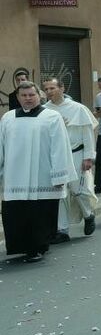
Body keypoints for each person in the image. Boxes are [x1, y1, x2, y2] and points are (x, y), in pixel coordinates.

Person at [0, 81, 74, 262]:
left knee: (39, 214)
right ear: (18, 97)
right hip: (14, 176)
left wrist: (59, 174)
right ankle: (21, 246)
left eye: (31, 95)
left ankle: (39, 247)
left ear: (39, 96)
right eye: (24, 95)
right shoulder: (8, 118)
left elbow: (60, 147)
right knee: (16, 213)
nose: (28, 99)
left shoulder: (52, 117)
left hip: (42, 175)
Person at [42, 77, 97, 241]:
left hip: (76, 154)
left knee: (79, 190)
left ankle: (88, 215)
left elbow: (87, 134)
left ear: (62, 88)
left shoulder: (78, 109)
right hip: (55, 157)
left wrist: (89, 157)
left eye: (52, 88)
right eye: (46, 89)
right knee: (60, 193)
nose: (49, 92)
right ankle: (62, 230)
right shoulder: (44, 110)